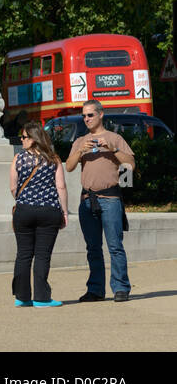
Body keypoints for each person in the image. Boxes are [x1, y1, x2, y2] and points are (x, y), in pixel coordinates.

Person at [64, 99, 135, 302]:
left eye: (90, 115)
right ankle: (95, 289)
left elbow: (130, 165)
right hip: (87, 200)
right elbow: (68, 167)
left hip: (110, 198)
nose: (86, 119)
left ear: (101, 114)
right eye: (84, 116)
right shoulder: (80, 141)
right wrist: (80, 151)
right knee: (93, 248)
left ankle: (121, 287)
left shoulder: (115, 138)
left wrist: (112, 149)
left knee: (115, 246)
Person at [10, 122, 68, 306]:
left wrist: (24, 199)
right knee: (42, 255)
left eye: (24, 137)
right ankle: (42, 298)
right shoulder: (53, 159)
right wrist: (65, 211)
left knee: (24, 254)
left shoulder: (18, 159)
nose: (21, 140)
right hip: (48, 210)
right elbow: (61, 186)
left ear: (34, 139)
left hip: (24, 210)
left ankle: (22, 297)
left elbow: (13, 187)